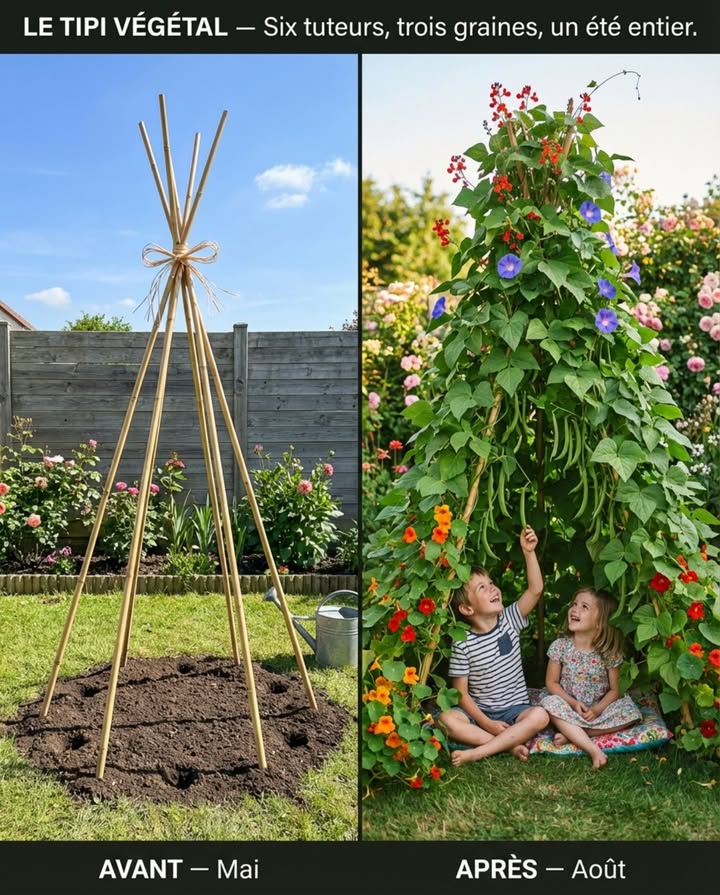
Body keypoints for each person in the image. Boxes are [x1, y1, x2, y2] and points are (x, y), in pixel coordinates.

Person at [438, 526, 549, 766]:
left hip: (515, 711)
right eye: (482, 588)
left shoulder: (510, 619)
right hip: (478, 713)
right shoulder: (462, 642)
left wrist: (528, 552)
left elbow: (535, 590)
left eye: (491, 583)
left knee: (540, 715)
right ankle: (507, 743)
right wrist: (487, 722)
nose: (493, 588)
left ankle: (480, 751)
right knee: (446, 719)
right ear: (467, 609)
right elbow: (461, 694)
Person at [540, 587, 642, 769]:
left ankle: (577, 733)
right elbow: (551, 683)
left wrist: (597, 709)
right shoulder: (560, 646)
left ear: (600, 622)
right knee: (550, 704)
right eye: (574, 604)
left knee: (630, 712)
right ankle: (593, 749)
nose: (574, 609)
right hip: (568, 706)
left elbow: (615, 690)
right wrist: (572, 703)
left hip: (598, 709)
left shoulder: (608, 653)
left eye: (584, 607)